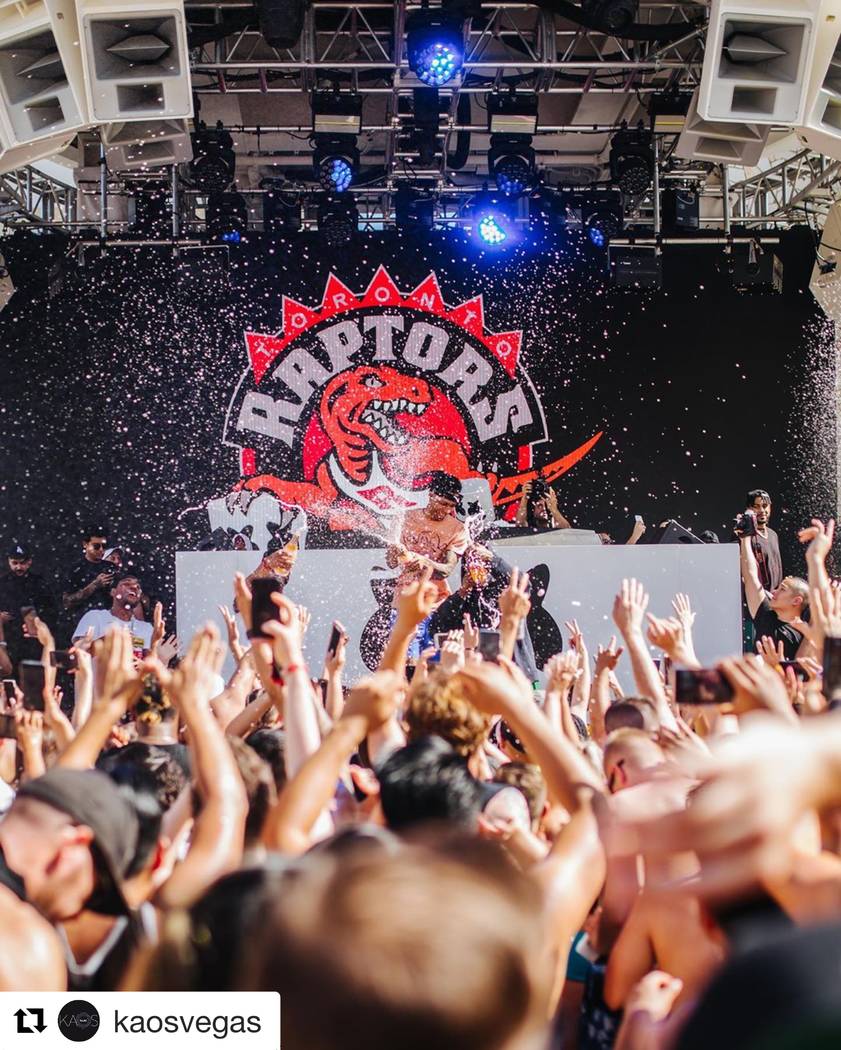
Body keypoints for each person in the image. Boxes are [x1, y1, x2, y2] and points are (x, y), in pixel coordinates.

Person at [386, 473, 469, 654]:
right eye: (443, 503)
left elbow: (447, 570)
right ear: (431, 494)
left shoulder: (458, 529)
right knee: (406, 661)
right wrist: (394, 553)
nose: (446, 510)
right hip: (405, 602)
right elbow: (391, 563)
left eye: (451, 506)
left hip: (437, 606)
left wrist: (425, 562)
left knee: (436, 666)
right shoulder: (404, 518)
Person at [739, 533, 806, 659]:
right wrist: (745, 538)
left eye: (782, 589)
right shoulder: (766, 616)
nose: (774, 591)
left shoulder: (804, 635)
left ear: (796, 600)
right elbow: (750, 576)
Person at [0, 542, 57, 670]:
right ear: (9, 561)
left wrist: (38, 622)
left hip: (34, 642)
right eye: (15, 563)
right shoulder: (2, 583)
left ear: (29, 562)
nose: (19, 567)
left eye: (22, 563)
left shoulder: (39, 583)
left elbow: (52, 611)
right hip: (9, 641)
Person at [71, 574, 154, 655]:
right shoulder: (94, 617)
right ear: (113, 592)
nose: (134, 588)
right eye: (126, 584)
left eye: (138, 587)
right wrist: (112, 639)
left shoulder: (146, 628)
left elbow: (150, 660)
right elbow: (79, 653)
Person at [62, 528, 116, 618]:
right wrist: (94, 585)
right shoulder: (75, 569)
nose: (101, 550)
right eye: (96, 546)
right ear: (85, 544)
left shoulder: (111, 567)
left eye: (104, 546)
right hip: (83, 619)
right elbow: (67, 602)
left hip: (108, 619)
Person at [742, 489, 783, 593]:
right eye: (756, 506)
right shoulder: (743, 536)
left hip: (775, 598)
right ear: (748, 509)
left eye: (765, 506)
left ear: (770, 507)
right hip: (756, 597)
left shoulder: (773, 535)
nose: (761, 510)